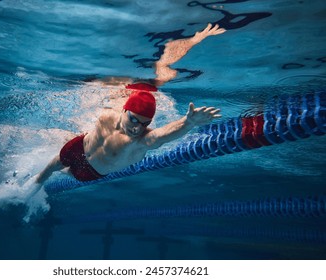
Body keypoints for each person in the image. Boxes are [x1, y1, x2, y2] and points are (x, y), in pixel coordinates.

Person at [29, 23, 226, 194]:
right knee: (49, 168)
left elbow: (163, 135)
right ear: (124, 110)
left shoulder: (141, 141)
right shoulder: (112, 107)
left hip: (89, 172)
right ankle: (31, 186)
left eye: (144, 123)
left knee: (62, 172)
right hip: (79, 146)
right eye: (133, 120)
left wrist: (188, 122)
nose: (137, 128)